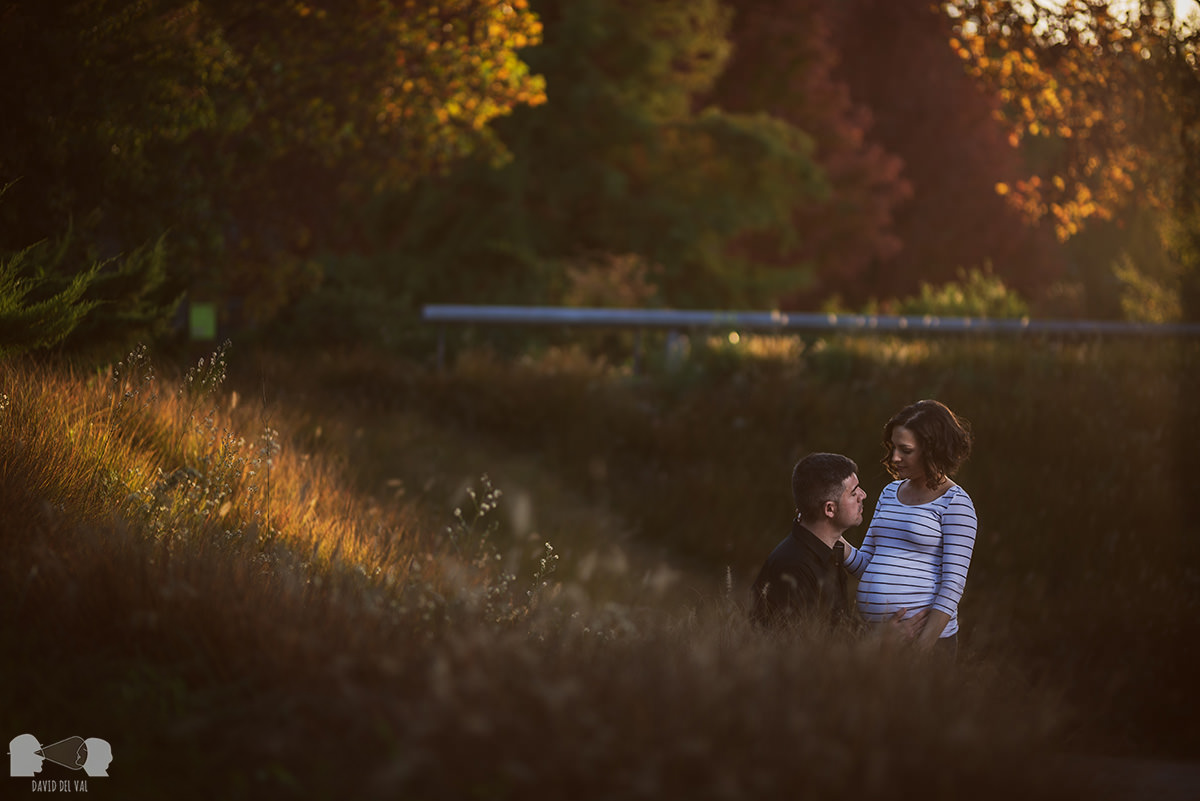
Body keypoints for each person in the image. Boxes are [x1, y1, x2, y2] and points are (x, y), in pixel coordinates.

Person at [843, 399, 977, 658]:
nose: (894, 457)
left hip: (925, 645)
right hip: (879, 639)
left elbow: (952, 586)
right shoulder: (890, 492)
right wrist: (830, 537)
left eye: (905, 450)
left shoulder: (956, 503)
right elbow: (867, 564)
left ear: (932, 450)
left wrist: (921, 648)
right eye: (893, 447)